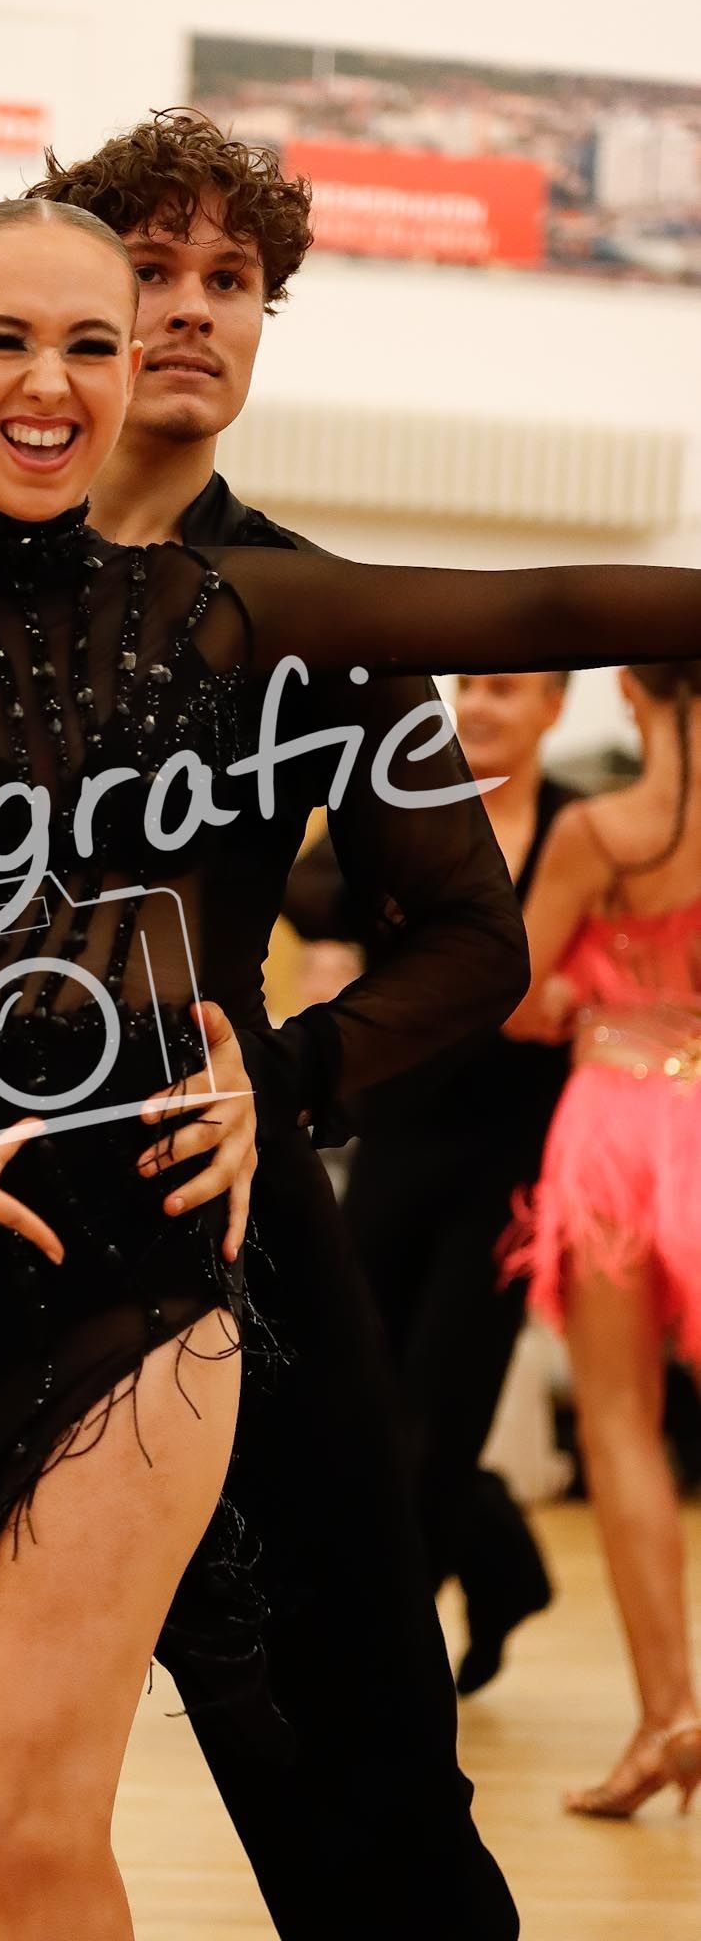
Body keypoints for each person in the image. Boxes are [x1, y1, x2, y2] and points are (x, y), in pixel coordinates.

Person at [0, 184, 701, 1938]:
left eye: (219, 282)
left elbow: (479, 889)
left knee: (323, 1734)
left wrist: (280, 1072)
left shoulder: (273, 605)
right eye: (137, 280)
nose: (176, 315)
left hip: (191, 1214)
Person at [291, 672, 574, 1693]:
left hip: (512, 1163)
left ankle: (379, 1672)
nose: (480, 707)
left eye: (506, 689)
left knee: (443, 1412)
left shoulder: (579, 827)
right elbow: (308, 884)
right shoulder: (418, 805)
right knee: (358, 1394)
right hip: (397, 1141)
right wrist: (342, 945)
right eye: (469, 688)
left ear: (553, 707)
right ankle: (501, 1562)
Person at [504, 661, 701, 1818]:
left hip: (620, 1118)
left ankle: (668, 1716)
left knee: (621, 1421)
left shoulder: (600, 829)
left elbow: (514, 993)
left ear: (628, 684)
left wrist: (583, 1000)